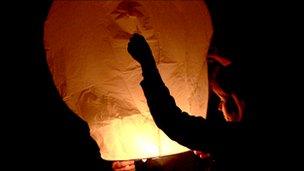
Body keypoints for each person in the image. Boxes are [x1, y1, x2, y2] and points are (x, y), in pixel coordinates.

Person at [127, 33, 249, 170]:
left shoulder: (230, 138)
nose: (219, 108)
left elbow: (171, 121)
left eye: (222, 99)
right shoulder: (231, 140)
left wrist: (147, 65)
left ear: (238, 103)